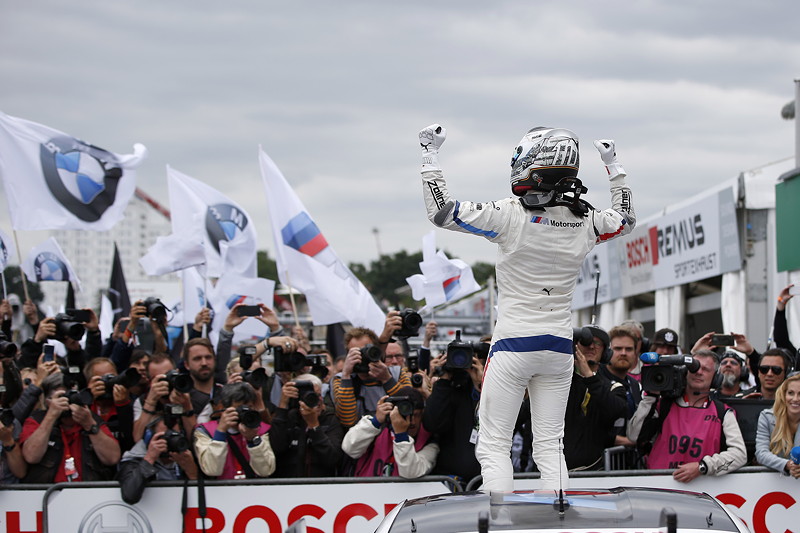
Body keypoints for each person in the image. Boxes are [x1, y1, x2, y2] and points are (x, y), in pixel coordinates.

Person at [418, 124, 636, 491]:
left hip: (514, 344)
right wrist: (614, 166)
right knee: (551, 446)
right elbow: (626, 219)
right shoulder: (586, 218)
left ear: (532, 162)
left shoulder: (510, 213)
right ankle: (559, 515)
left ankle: (497, 517)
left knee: (493, 445)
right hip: (559, 347)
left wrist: (429, 154)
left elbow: (442, 212)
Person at [628, 350, 747, 482]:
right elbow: (633, 436)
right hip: (658, 485)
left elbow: (739, 455)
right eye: (694, 367)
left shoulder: (723, 412)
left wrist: (703, 466)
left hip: (702, 487)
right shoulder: (663, 405)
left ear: (716, 378)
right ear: (685, 372)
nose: (698, 372)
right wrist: (650, 397)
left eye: (706, 369)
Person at [20, 373, 121, 482]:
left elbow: (112, 458)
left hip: (89, 490)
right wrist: (50, 417)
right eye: (61, 398)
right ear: (48, 401)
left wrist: (90, 425)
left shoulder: (91, 419)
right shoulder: (37, 420)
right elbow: (31, 457)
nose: (67, 402)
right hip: (48, 490)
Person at [564, 332, 628, 471]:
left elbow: (615, 410)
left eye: (598, 343)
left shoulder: (613, 387)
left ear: (605, 352)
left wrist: (589, 376)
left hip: (593, 472)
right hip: (553, 472)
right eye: (586, 342)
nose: (592, 347)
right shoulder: (561, 383)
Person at [342, 387, 438, 478]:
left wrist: (401, 436)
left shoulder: (429, 440)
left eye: (416, 415)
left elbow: (411, 473)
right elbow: (350, 449)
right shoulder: (377, 427)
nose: (411, 422)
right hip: (367, 487)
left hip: (403, 490)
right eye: (406, 414)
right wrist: (375, 422)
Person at [422, 349, 483, 482]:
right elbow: (432, 424)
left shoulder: (483, 389)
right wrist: (443, 378)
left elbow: (500, 421)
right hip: (449, 479)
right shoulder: (445, 389)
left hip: (484, 477)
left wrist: (481, 385)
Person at [332, 326, 410, 428]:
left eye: (366, 350)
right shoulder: (341, 379)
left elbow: (410, 407)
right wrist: (346, 374)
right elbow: (347, 421)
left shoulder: (397, 373)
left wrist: (386, 379)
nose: (363, 357)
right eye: (357, 353)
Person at [193, 382, 275, 479]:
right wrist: (220, 432)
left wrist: (253, 440)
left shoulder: (262, 430)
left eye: (249, 407)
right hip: (222, 487)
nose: (244, 412)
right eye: (239, 408)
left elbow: (265, 471)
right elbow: (212, 470)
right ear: (224, 408)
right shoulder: (205, 431)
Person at [268, 373, 343, 477]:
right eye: (308, 396)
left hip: (321, 483)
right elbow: (276, 448)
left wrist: (314, 425)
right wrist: (283, 405)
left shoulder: (330, 419)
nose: (316, 401)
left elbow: (332, 458)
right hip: (287, 482)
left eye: (318, 395)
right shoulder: (289, 418)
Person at [117, 408, 198, 504]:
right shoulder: (134, 459)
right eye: (164, 437)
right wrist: (149, 459)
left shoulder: (187, 456)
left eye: (175, 436)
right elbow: (130, 496)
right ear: (149, 438)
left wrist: (192, 472)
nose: (170, 441)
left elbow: (206, 497)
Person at [602, 326, 643, 446]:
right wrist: (625, 441)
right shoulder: (596, 380)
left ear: (635, 353)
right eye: (618, 349)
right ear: (607, 351)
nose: (623, 353)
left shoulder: (635, 385)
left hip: (629, 456)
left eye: (629, 349)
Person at [754, 372, 800, 477]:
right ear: (783, 395)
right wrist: (787, 465)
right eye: (791, 393)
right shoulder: (767, 417)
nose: (795, 399)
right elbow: (761, 453)